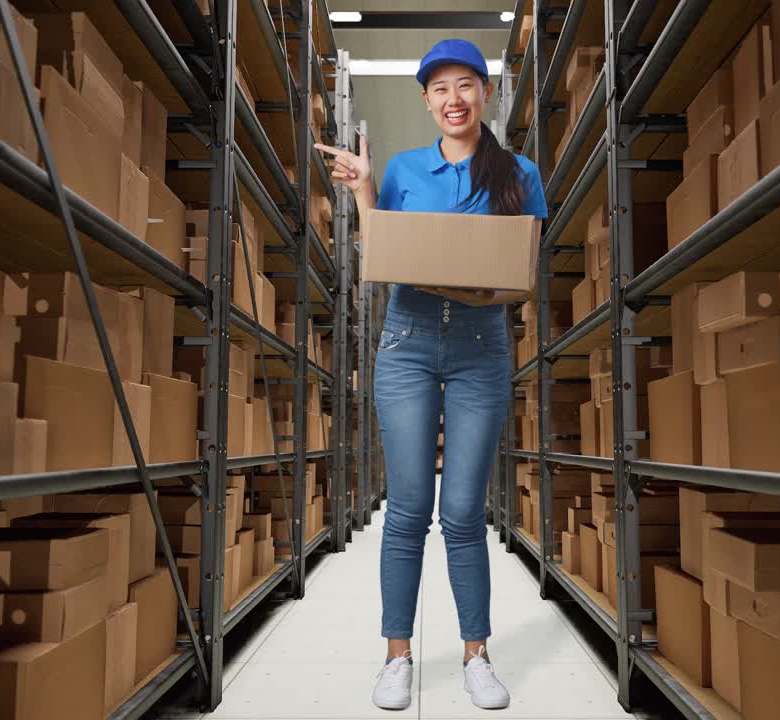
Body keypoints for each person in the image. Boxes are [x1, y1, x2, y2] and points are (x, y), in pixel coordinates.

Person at [316, 38, 548, 711]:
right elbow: (384, 248)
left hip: (481, 346)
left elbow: (519, 280)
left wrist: (478, 291)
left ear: (487, 94)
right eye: (440, 88)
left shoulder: (518, 173)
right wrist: (363, 191)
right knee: (409, 509)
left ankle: (476, 654)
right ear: (426, 101)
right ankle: (397, 657)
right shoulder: (403, 171)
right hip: (409, 341)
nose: (454, 99)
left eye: (466, 85)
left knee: (464, 512)